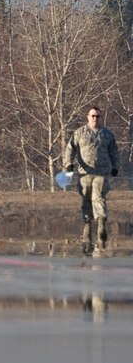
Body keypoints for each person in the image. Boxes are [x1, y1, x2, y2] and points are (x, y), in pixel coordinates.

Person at [64, 106, 120, 257]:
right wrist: (68, 163)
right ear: (88, 117)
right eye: (93, 116)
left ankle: (101, 223)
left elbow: (114, 150)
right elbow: (70, 148)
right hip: (84, 174)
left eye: (98, 116)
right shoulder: (79, 133)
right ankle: (87, 229)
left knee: (98, 196)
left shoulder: (107, 134)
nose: (95, 119)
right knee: (86, 201)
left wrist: (115, 166)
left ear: (101, 118)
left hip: (101, 173)